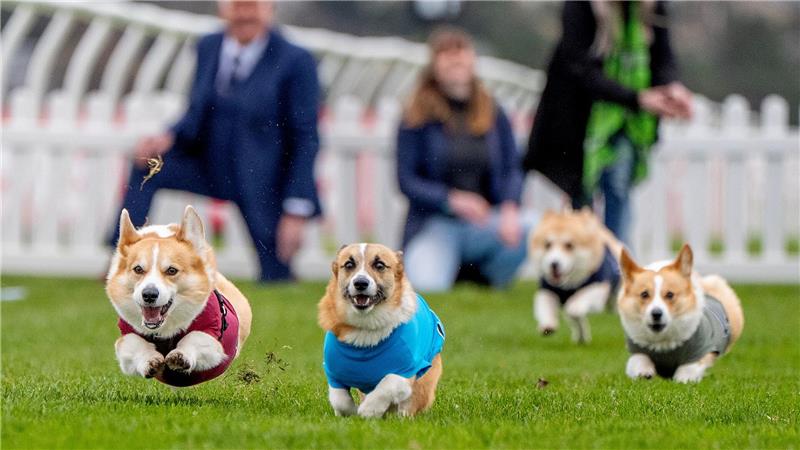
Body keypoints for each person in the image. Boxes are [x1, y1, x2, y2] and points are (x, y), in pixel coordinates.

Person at [109, 0, 321, 282]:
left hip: (262, 180)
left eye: (253, 6)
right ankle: (125, 260)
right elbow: (197, 110)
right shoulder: (208, 46)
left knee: (276, 273)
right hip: (207, 165)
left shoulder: (296, 60)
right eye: (237, 5)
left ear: (270, 8)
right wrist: (167, 136)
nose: (244, 13)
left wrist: (296, 208)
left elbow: (305, 135)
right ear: (223, 8)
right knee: (147, 163)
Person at [524, 1, 692, 244]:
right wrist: (637, 98)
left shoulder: (652, 7)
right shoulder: (581, 6)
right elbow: (579, 67)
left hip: (627, 121)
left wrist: (672, 87)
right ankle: (585, 264)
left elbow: (662, 56)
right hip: (577, 119)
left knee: (617, 185)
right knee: (581, 195)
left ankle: (617, 263)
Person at [396, 27, 532, 293]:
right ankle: (448, 270)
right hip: (436, 223)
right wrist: (452, 200)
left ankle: (487, 279)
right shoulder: (416, 115)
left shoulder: (493, 111)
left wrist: (509, 208)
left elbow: (511, 168)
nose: (456, 61)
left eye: (462, 54)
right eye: (447, 55)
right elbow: (406, 180)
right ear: (434, 64)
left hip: (485, 222)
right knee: (427, 286)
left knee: (533, 229)